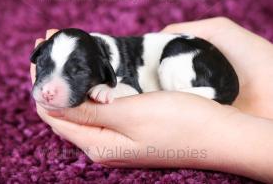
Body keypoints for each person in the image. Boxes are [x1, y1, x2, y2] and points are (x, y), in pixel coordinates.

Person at [30, 17, 273, 182]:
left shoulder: (112, 66)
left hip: (194, 63)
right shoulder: (94, 58)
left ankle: (201, 94)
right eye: (44, 64)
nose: (48, 88)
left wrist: (218, 135)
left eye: (76, 71)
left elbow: (130, 91)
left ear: (105, 71)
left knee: (172, 59)